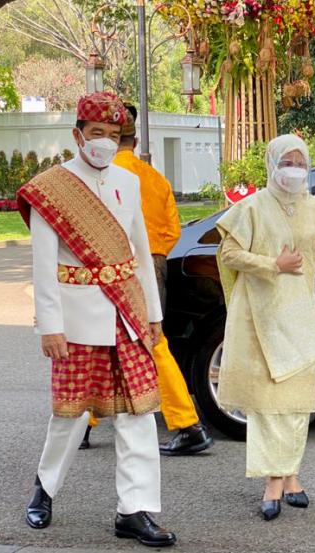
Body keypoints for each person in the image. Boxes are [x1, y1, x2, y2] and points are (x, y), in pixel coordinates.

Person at [18, 92, 176, 547]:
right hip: (76, 320)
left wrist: (153, 314)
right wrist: (49, 326)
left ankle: (136, 511)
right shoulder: (53, 188)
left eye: (113, 135)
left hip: (126, 315)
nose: (104, 143)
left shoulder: (128, 183)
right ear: (78, 135)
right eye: (96, 134)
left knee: (138, 415)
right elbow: (44, 265)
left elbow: (140, 255)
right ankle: (44, 490)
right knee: (68, 417)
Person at [80, 103, 214, 456]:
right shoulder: (154, 179)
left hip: (113, 266)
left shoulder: (103, 174)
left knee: (109, 340)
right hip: (153, 264)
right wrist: (153, 255)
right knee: (146, 340)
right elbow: (171, 230)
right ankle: (86, 420)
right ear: (135, 141)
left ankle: (187, 423)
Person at [215, 134, 315, 521]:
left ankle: (291, 475)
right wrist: (272, 266)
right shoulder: (251, 208)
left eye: (299, 162)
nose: (293, 169)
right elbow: (228, 253)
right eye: (286, 161)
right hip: (258, 315)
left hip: (298, 313)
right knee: (266, 403)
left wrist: (304, 299)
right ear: (272, 164)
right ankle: (273, 483)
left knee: (298, 400)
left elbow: (311, 262)